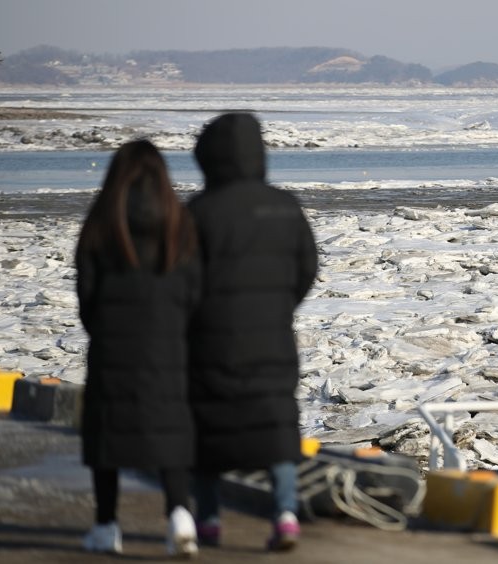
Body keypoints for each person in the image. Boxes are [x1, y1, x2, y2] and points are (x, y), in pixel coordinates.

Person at [186, 112, 318, 551]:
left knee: (206, 430)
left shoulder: (198, 212)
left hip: (209, 341)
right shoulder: (284, 205)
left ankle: (207, 520)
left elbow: (180, 278)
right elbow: (306, 268)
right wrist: (279, 305)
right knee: (275, 427)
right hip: (272, 337)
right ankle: (284, 515)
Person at [75, 139, 201, 556]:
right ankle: (180, 514)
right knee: (171, 431)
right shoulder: (180, 225)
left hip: (113, 348)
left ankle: (106, 525)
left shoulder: (100, 224)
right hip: (168, 349)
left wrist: (105, 330)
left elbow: (86, 298)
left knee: (107, 436)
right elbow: (194, 292)